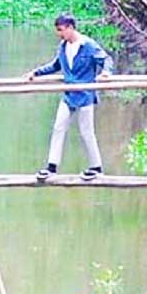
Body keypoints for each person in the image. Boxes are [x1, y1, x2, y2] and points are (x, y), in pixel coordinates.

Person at [25, 14, 114, 180]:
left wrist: (106, 72)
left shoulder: (88, 45)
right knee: (58, 127)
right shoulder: (63, 46)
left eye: (61, 30)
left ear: (71, 27)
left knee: (86, 131)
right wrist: (36, 72)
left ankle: (96, 167)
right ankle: (51, 166)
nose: (59, 33)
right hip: (69, 94)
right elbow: (55, 65)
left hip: (85, 94)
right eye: (58, 30)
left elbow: (106, 59)